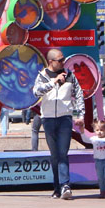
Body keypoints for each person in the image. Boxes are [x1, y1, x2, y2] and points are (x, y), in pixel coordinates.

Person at [31, 49, 80, 200]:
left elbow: (79, 94)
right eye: (60, 60)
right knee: (54, 155)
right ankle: (57, 187)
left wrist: (80, 115)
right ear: (51, 62)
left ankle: (65, 185)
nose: (63, 62)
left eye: (63, 59)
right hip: (48, 118)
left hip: (65, 117)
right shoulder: (42, 76)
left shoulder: (70, 75)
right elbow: (36, 92)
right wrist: (53, 82)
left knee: (63, 152)